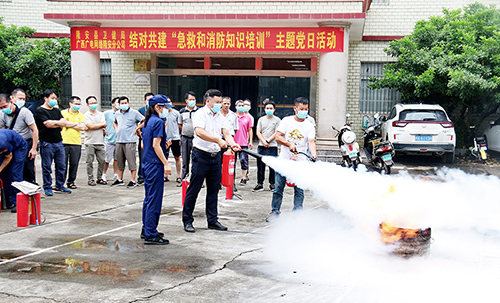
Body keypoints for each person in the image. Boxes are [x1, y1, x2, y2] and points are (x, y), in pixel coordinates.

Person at [182, 89, 241, 233]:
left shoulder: (220, 116)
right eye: (217, 102)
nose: (219, 105)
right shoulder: (200, 114)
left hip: (216, 157)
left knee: (213, 190)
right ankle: (187, 220)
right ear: (208, 101)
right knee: (194, 189)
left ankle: (212, 220)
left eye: (221, 102)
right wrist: (217, 140)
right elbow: (199, 132)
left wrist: (232, 143)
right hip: (201, 155)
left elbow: (226, 132)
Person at [266, 97, 317, 222]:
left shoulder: (309, 125)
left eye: (306, 109)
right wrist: (289, 144)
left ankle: (297, 214)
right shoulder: (286, 121)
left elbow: (311, 141)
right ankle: (275, 211)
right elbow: (278, 136)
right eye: (301, 109)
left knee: (299, 190)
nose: (304, 111)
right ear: (295, 109)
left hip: (300, 163)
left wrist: (313, 154)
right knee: (278, 188)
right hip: (284, 161)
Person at [140, 94, 172, 245]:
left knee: (149, 197)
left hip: (147, 162)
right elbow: (155, 145)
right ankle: (151, 233)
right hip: (155, 164)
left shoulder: (147, 121)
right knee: (154, 199)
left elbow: (146, 144)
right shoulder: (158, 122)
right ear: (157, 107)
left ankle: (146, 228)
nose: (167, 110)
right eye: (165, 107)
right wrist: (166, 163)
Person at [36, 89, 79, 196]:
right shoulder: (40, 110)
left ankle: (60, 185)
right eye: (52, 98)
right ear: (45, 98)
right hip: (46, 142)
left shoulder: (56, 110)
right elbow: (47, 124)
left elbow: (63, 123)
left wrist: (56, 123)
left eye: (55, 98)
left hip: (59, 141)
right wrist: (58, 123)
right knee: (47, 166)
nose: (54, 100)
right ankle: (47, 186)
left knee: (61, 166)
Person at [0, 89, 38, 184]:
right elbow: (2, 132)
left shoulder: (25, 112)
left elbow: (35, 130)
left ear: (11, 102)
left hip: (25, 143)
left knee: (27, 169)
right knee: (11, 170)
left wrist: (34, 148)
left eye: (5, 106)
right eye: (1, 108)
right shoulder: (3, 114)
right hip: (11, 144)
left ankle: (30, 191)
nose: (4, 109)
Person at [112, 96, 144, 188]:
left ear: (128, 103)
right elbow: (114, 122)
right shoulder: (117, 113)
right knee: (120, 161)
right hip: (119, 140)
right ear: (119, 104)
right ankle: (120, 179)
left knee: (131, 161)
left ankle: (132, 180)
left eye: (125, 103)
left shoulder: (134, 113)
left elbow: (144, 120)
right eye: (122, 103)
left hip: (130, 140)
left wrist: (137, 128)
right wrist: (116, 128)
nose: (124, 105)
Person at [254, 100, 281, 192]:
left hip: (272, 146)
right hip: (261, 146)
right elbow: (258, 131)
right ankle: (260, 183)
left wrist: (268, 141)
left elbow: (276, 132)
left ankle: (272, 184)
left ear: (274, 109)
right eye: (267, 108)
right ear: (264, 109)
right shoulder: (261, 119)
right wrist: (263, 141)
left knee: (272, 166)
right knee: (260, 166)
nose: (269, 110)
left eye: (271, 108)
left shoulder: (277, 120)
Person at [61, 96, 87, 189]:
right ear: (70, 104)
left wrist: (69, 124)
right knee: (62, 163)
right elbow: (62, 123)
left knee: (74, 163)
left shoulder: (81, 115)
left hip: (76, 142)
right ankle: (60, 182)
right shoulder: (63, 113)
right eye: (75, 104)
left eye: (79, 104)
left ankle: (71, 181)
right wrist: (76, 124)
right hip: (64, 141)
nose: (77, 106)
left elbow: (83, 127)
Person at [0, 129, 28, 213]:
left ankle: (17, 202)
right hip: (8, 144)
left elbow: (8, 157)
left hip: (19, 146)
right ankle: (7, 201)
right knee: (4, 175)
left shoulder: (2, 144)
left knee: (15, 173)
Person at [84, 96, 107, 186]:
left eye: (95, 103)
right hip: (90, 142)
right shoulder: (86, 115)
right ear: (87, 104)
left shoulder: (101, 114)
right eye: (91, 103)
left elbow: (104, 124)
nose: (94, 105)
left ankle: (99, 177)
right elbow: (90, 126)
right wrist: (99, 125)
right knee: (89, 162)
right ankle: (90, 179)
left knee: (102, 160)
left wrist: (95, 125)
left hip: (100, 141)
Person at [178, 91, 198, 183]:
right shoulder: (182, 112)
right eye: (190, 100)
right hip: (185, 138)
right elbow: (180, 125)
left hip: (196, 139)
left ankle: (196, 180)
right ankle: (184, 179)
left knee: (196, 159)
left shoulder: (199, 112)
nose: (192, 101)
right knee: (185, 160)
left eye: (193, 100)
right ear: (186, 100)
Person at [234, 100, 253, 186]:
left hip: (243, 143)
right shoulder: (232, 116)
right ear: (235, 107)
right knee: (232, 162)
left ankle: (244, 177)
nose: (241, 107)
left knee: (243, 160)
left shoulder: (247, 117)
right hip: (233, 143)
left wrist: (251, 141)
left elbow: (250, 130)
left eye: (242, 105)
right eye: (239, 105)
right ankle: (231, 179)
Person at [137, 92, 154, 185]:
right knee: (142, 157)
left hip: (154, 138)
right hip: (143, 137)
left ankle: (150, 176)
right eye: (148, 100)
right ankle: (141, 176)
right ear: (145, 100)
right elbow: (136, 122)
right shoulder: (141, 110)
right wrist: (138, 131)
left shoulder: (157, 110)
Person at [165, 98, 182, 185]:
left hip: (175, 138)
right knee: (165, 157)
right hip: (165, 138)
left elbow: (179, 126)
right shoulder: (162, 113)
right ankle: (166, 175)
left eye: (169, 101)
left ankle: (178, 176)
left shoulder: (176, 113)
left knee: (177, 157)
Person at [103, 97, 119, 182]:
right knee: (107, 159)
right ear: (113, 104)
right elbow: (101, 122)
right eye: (117, 102)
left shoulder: (121, 114)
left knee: (116, 159)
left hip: (119, 140)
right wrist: (104, 130)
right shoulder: (107, 113)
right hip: (109, 139)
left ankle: (115, 174)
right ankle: (104, 173)